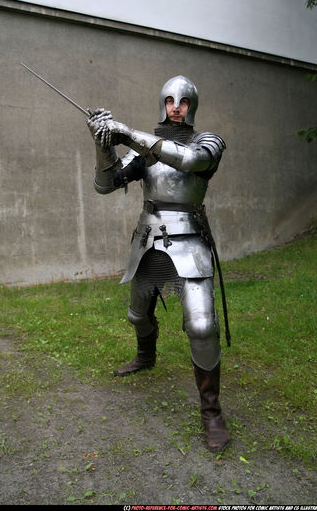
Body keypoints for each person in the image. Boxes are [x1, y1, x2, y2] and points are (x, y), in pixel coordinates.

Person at [87, 75, 231, 452]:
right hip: (148, 239)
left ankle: (211, 412)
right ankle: (145, 356)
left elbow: (188, 160)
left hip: (190, 243)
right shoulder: (144, 151)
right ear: (163, 103)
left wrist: (128, 132)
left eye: (182, 101)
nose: (175, 107)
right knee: (137, 315)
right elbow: (106, 185)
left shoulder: (208, 141)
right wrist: (103, 145)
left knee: (201, 326)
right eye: (169, 100)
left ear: (191, 106)